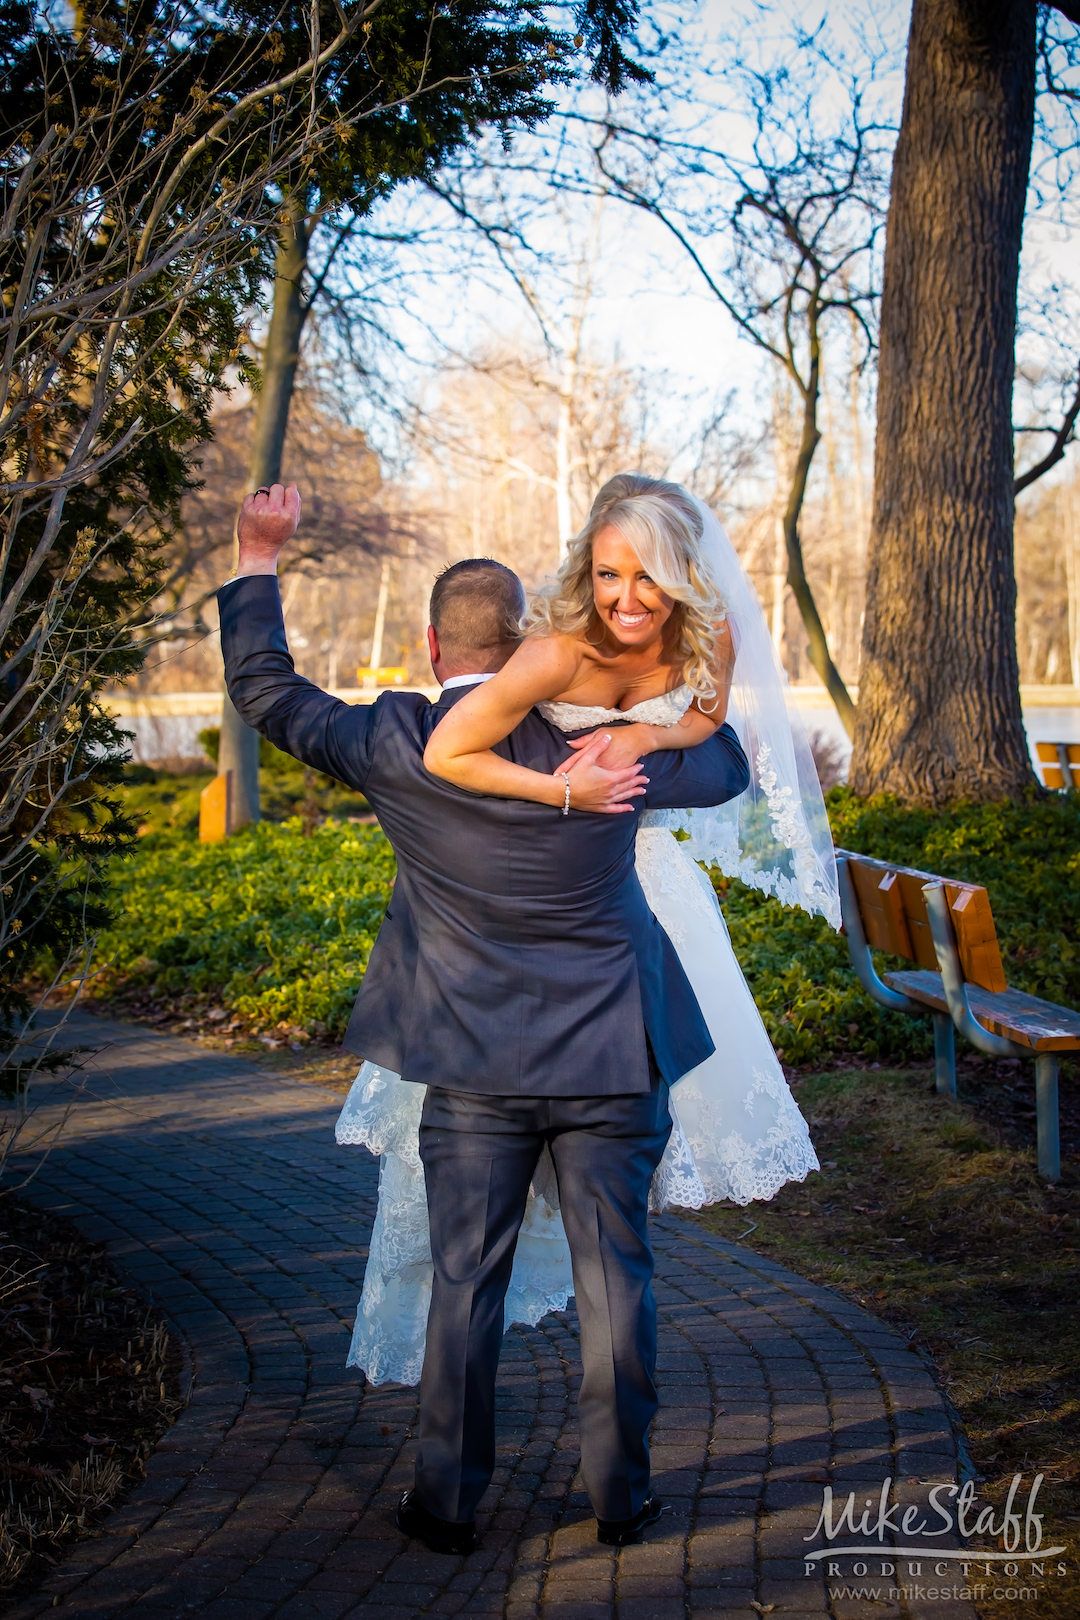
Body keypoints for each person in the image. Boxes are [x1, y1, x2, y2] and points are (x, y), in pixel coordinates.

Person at [218, 482, 751, 1556]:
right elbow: (731, 760)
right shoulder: (610, 738)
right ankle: (620, 1500)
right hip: (613, 1052)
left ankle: (448, 1506)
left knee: (465, 1282)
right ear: (531, 636)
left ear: (429, 646)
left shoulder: (391, 741)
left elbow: (266, 693)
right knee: (619, 1278)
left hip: (472, 1061)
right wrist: (647, 742)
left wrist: (257, 557)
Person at [345, 475, 839, 1398]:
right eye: (610, 574)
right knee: (488, 1230)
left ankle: (604, 1478)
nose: (626, 598)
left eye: (649, 578)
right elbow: (452, 750)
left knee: (612, 1236)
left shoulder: (713, 635)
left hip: (630, 930)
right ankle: (479, 1435)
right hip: (516, 933)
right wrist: (567, 788)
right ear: (586, 570)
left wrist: (641, 746)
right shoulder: (551, 655)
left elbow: (710, 726)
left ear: (684, 578)